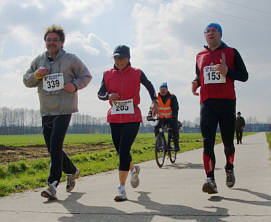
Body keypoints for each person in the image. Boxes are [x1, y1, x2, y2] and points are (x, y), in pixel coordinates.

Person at [23, 25, 92, 200]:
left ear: (62, 42)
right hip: (46, 110)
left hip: (64, 108)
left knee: (55, 146)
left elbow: (86, 75)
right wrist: (37, 75)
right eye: (49, 40)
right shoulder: (39, 60)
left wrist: (74, 85)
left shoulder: (70, 59)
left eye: (55, 40)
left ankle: (52, 184)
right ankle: (71, 170)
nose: (51, 43)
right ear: (45, 42)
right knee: (52, 148)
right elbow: (26, 80)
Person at [191, 23, 248, 194]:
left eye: (214, 31)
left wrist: (227, 71)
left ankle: (229, 167)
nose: (210, 34)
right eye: (207, 31)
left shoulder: (231, 52)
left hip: (226, 103)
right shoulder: (200, 55)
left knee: (228, 143)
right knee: (207, 142)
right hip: (207, 104)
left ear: (220, 34)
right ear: (204, 36)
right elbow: (199, 74)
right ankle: (210, 180)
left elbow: (244, 76)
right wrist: (196, 82)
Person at [98, 45, 158, 201]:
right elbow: (100, 93)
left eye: (122, 58)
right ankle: (133, 169)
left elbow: (149, 86)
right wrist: (108, 96)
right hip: (115, 117)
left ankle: (121, 189)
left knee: (124, 151)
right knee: (121, 152)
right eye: (116, 58)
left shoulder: (137, 73)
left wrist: (155, 101)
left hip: (132, 117)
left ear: (128, 58)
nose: (118, 61)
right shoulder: (107, 74)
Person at [154, 82, 180, 151]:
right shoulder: (156, 98)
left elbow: (175, 108)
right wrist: (150, 115)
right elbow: (153, 108)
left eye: (164, 89)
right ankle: (160, 144)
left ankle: (176, 146)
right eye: (161, 89)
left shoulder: (172, 97)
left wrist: (174, 117)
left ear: (167, 89)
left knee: (174, 129)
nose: (162, 91)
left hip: (171, 118)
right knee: (156, 127)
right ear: (159, 90)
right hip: (161, 118)